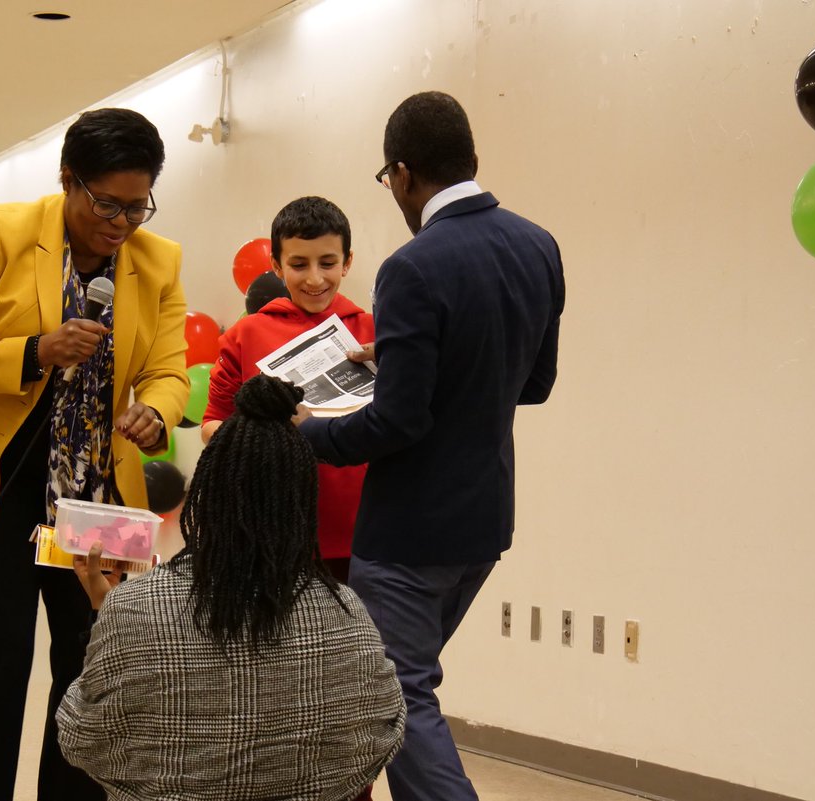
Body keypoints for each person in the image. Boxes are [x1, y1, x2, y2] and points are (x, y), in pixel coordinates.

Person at [0, 107, 190, 801]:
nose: (120, 223)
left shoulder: (159, 262)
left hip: (98, 495)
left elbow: (171, 370)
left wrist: (157, 412)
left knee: (93, 667)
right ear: (68, 179)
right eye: (106, 203)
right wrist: (35, 351)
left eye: (136, 206)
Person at [298, 91, 565, 801]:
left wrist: (306, 436)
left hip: (409, 532)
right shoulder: (538, 244)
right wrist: (406, 361)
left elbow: (396, 426)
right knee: (392, 687)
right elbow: (532, 382)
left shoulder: (413, 266)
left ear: (403, 173)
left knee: (397, 696)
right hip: (483, 525)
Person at [57, 375, 407, 801]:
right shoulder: (345, 613)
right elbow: (385, 731)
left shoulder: (134, 609)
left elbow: (81, 737)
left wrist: (103, 615)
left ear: (207, 491)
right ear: (302, 500)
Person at [202, 196, 373, 584]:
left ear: (347, 262)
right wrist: (256, 436)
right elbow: (212, 423)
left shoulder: (373, 331)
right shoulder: (246, 335)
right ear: (277, 266)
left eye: (327, 263)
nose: (314, 279)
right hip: (271, 530)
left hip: (363, 531)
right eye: (298, 264)